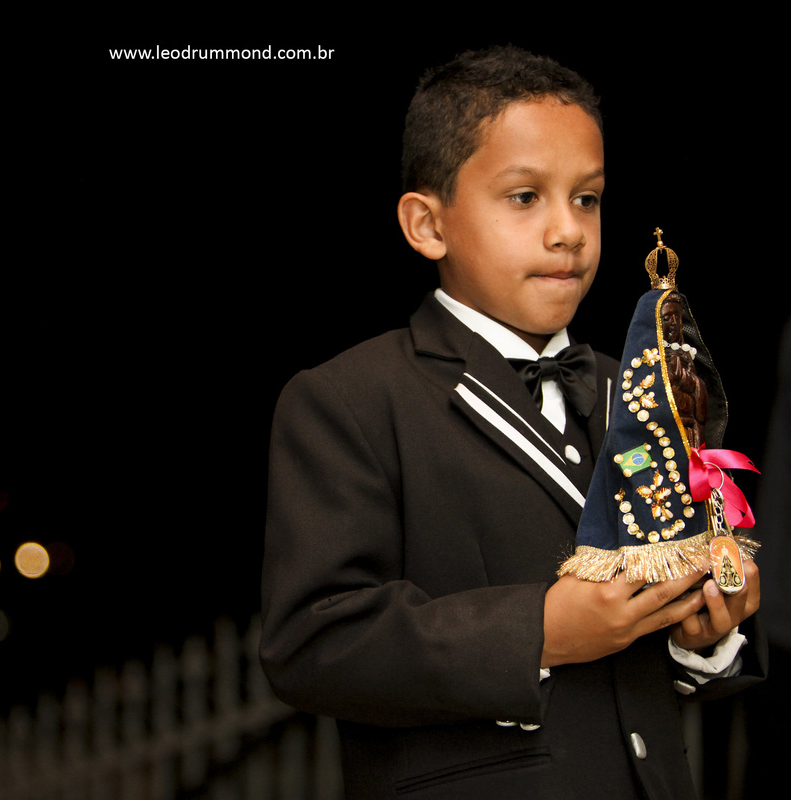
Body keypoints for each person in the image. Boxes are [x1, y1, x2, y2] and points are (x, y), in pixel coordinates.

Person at [260, 47, 762, 800]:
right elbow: (313, 644)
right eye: (526, 197)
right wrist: (541, 630)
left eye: (587, 198)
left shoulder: (640, 389)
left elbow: (670, 653)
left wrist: (706, 636)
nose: (568, 231)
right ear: (427, 224)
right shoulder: (352, 399)